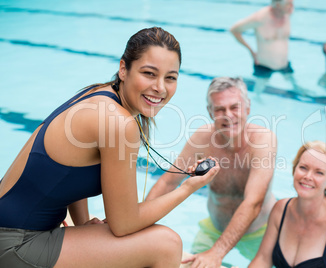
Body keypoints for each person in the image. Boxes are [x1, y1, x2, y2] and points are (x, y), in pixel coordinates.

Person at [0, 27, 220, 268]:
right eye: (149, 73)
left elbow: (73, 167)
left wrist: (83, 224)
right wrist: (188, 187)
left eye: (170, 77)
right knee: (166, 244)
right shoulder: (117, 121)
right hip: (15, 243)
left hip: (16, 229)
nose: (160, 88)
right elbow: (124, 224)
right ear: (123, 69)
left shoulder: (100, 93)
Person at [147, 77, 277, 267]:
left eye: (235, 107)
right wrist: (139, 223)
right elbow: (168, 182)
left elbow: (253, 202)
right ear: (210, 112)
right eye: (219, 109)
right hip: (214, 229)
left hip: (260, 234)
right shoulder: (203, 139)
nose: (228, 115)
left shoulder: (263, 141)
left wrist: (216, 253)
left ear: (247, 107)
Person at [249, 141, 326, 267]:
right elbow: (263, 259)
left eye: (319, 172)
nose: (308, 176)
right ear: (294, 170)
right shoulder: (281, 210)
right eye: (303, 168)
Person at [230, 0, 300, 96]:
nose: (292, 7)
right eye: (288, 4)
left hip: (284, 63)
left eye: (292, 3)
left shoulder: (287, 14)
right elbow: (234, 30)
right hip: (264, 65)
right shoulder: (260, 18)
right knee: (258, 91)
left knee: (293, 82)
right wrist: (250, 50)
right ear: (278, 5)